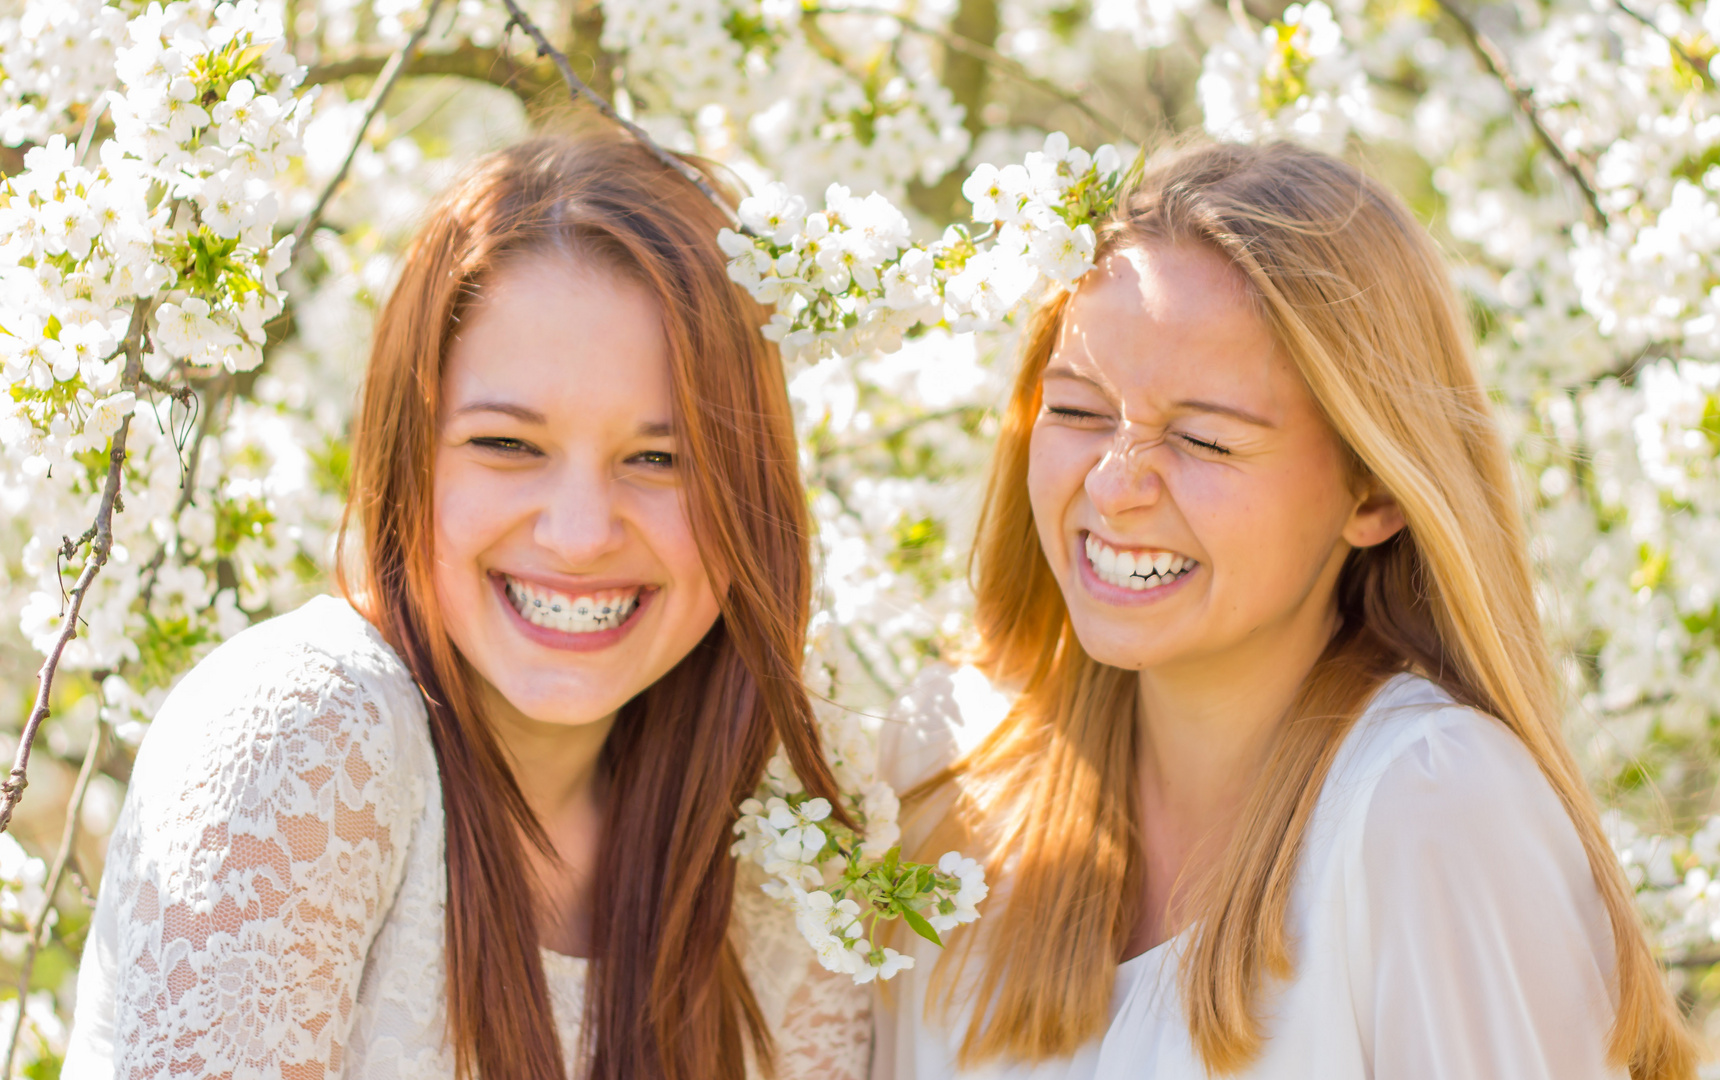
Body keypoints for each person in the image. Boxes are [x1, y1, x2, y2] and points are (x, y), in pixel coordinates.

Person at [872, 140, 1697, 1080]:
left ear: (1373, 492)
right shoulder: (949, 775)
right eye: (1077, 411)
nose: (1115, 485)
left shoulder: (1427, 805)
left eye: (1206, 440)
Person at [63, 132, 869, 1080]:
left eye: (660, 458)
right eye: (507, 445)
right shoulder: (307, 744)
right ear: (410, 452)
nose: (578, 534)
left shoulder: (776, 831)